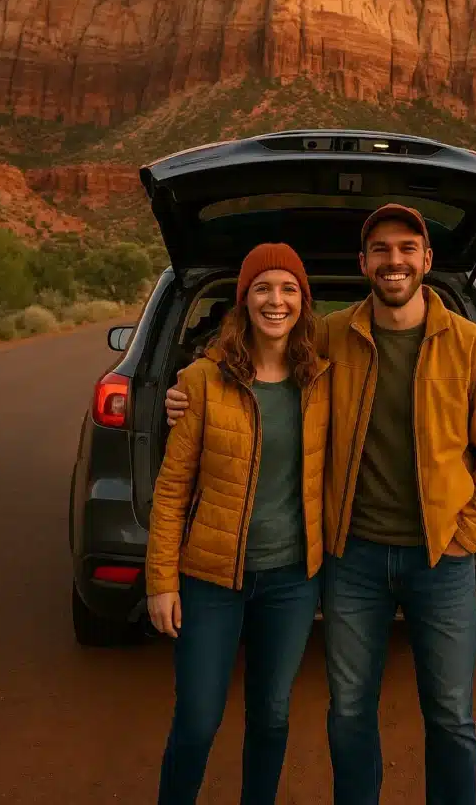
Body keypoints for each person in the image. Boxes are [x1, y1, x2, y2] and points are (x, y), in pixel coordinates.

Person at [164, 205, 476, 805]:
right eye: (380, 250)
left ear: (427, 260)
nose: (394, 261)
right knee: (350, 710)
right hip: (351, 557)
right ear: (364, 263)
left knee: (452, 716)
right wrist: (186, 384)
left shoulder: (474, 347)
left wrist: (468, 534)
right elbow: (261, 352)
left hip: (441, 559)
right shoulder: (333, 337)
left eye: (407, 248)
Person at [147, 243, 330, 805]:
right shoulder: (202, 381)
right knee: (198, 719)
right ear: (244, 299)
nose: (276, 301)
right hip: (210, 578)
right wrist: (161, 581)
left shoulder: (324, 382)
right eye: (263, 288)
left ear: (303, 301)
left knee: (272, 716)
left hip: (293, 579)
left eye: (289, 289)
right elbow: (173, 488)